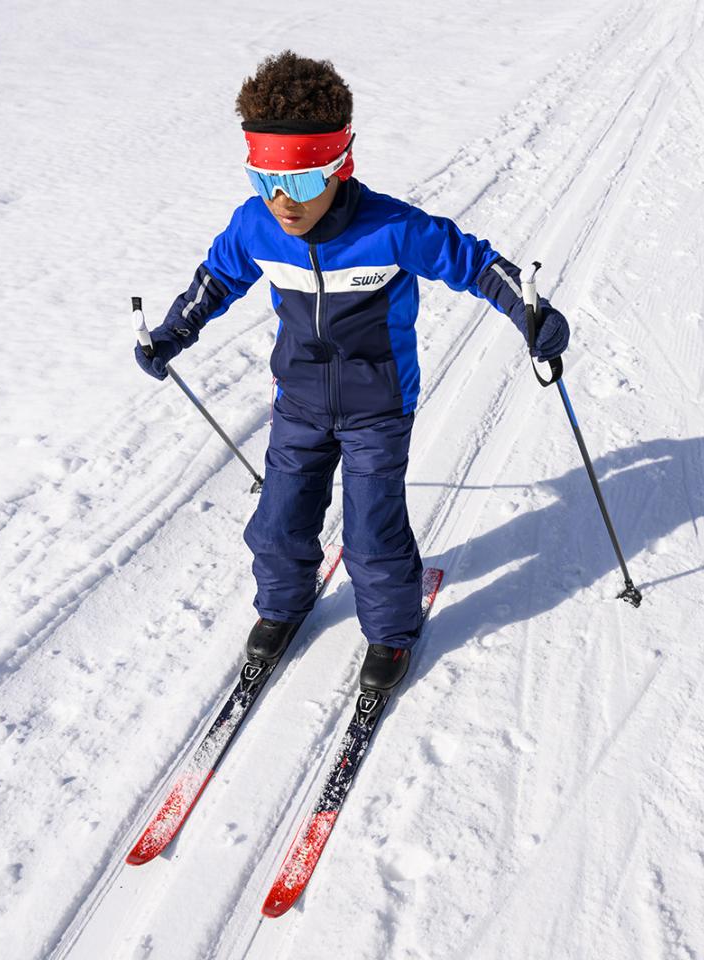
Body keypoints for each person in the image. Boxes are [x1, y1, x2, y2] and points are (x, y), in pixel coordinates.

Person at [136, 51, 569, 692]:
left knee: (371, 531)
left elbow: (475, 263)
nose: (284, 202)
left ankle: (392, 631)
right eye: (265, 180)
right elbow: (217, 277)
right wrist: (175, 330)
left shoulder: (390, 229)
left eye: (304, 182)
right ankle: (284, 604)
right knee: (279, 521)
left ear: (341, 165)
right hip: (298, 402)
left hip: (378, 406)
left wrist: (530, 312)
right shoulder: (257, 226)